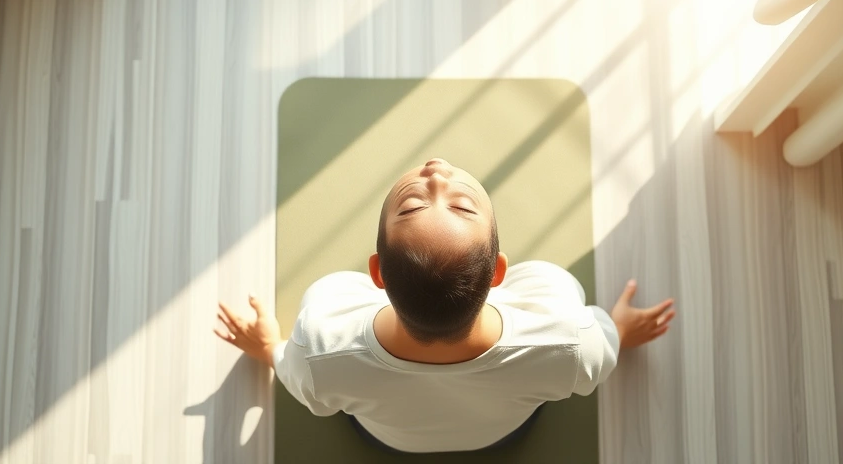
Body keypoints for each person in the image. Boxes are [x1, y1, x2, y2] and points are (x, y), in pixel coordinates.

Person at [215, 158, 676, 454]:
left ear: (377, 275)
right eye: (418, 203)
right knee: (555, 284)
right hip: (505, 434)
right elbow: (603, 348)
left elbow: (297, 377)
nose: (436, 173)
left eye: (413, 202)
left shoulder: (322, 346)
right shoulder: (567, 341)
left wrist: (270, 347)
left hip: (390, 442)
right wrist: (617, 327)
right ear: (498, 273)